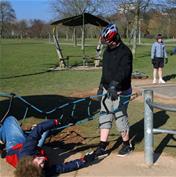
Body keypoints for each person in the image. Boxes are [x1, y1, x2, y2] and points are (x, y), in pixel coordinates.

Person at [0, 115, 92, 177]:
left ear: (28, 161)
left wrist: (58, 121)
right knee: (44, 129)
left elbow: (38, 130)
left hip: (16, 145)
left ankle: (2, 138)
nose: (43, 161)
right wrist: (83, 160)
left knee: (10, 120)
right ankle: (26, 133)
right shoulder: (42, 172)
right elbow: (62, 168)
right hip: (34, 148)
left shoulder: (26, 153)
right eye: (42, 165)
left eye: (38, 162)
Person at [91, 23, 133, 159]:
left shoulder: (125, 52)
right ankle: (102, 146)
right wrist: (101, 86)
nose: (106, 43)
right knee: (105, 115)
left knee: (120, 116)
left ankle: (127, 144)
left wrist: (115, 84)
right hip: (107, 89)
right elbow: (106, 71)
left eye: (108, 41)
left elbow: (125, 71)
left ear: (115, 37)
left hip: (121, 90)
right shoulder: (107, 51)